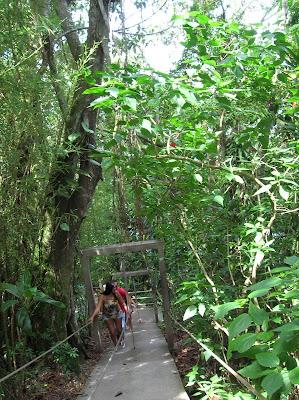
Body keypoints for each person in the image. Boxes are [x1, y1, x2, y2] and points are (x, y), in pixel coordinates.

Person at [87, 281, 129, 348]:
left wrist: (127, 311)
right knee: (112, 332)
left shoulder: (117, 293)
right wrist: (92, 317)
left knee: (119, 330)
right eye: (114, 288)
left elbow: (123, 303)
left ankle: (121, 340)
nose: (115, 289)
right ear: (110, 288)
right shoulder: (102, 297)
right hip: (107, 315)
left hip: (117, 313)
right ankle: (115, 344)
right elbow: (98, 307)